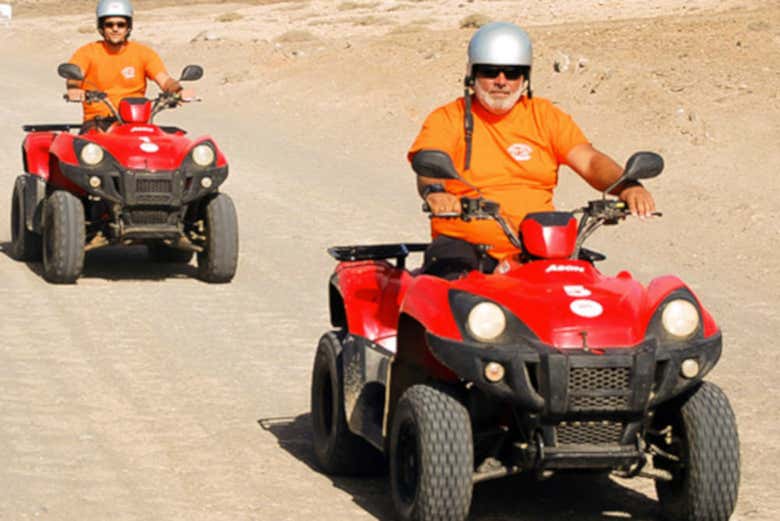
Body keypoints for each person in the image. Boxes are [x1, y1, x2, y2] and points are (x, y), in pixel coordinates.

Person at [408, 22, 656, 277]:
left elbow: (590, 161)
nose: (501, 82)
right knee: (451, 296)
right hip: (463, 244)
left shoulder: (545, 116)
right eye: (490, 72)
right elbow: (429, 164)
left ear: (525, 77)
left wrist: (628, 186)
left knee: (585, 290)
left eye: (512, 73)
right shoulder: (448, 118)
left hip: (542, 242)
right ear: (472, 74)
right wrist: (435, 192)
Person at [65, 0, 187, 131]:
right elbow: (74, 77)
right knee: (89, 149)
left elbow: (164, 80)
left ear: (128, 27)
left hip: (137, 121)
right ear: (101, 27)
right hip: (98, 122)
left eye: (121, 24)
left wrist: (178, 90)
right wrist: (74, 89)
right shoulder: (87, 52)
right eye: (109, 24)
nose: (115, 29)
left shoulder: (143, 53)